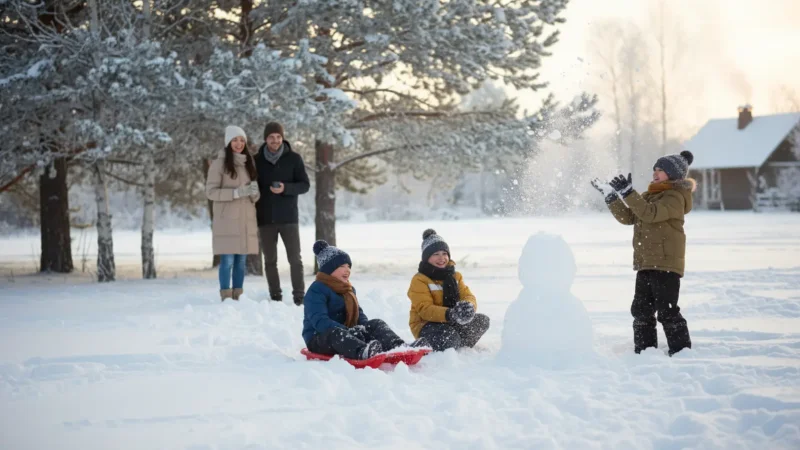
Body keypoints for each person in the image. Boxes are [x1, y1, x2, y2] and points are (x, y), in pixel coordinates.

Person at [591, 150, 695, 356]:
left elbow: (650, 214)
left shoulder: (675, 197)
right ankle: (644, 351)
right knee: (640, 310)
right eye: (655, 169)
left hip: (665, 264)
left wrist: (629, 193)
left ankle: (681, 351)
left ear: (674, 174)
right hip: (646, 262)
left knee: (666, 310)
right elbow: (629, 217)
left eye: (661, 170)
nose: (655, 172)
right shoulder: (650, 195)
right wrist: (611, 196)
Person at [302, 240, 428, 360]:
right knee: (336, 333)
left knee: (376, 324)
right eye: (342, 266)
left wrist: (365, 329)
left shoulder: (348, 290)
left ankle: (399, 347)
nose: (347, 270)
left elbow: (359, 313)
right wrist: (349, 331)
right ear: (329, 269)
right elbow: (320, 322)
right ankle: (362, 352)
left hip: (348, 335)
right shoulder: (316, 290)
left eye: (348, 266)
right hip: (320, 338)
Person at [254, 122, 310, 305]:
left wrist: (286, 188)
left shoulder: (294, 158)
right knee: (270, 260)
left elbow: (305, 185)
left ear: (282, 138)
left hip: (289, 218)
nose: (275, 140)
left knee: (295, 259)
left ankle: (299, 296)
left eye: (278, 137)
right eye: (271, 137)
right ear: (266, 139)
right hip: (265, 218)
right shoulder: (256, 160)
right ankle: (275, 296)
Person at [407, 229, 490, 351]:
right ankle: (434, 343)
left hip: (451, 321)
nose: (441, 258)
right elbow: (425, 309)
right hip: (427, 324)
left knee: (482, 321)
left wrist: (468, 307)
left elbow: (468, 296)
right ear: (426, 257)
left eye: (444, 253)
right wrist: (450, 314)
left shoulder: (456, 276)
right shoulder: (419, 280)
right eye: (436, 254)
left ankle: (457, 344)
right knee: (449, 337)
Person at [205, 126, 260, 301]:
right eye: (235, 140)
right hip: (227, 221)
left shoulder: (248, 163)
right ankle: (226, 296)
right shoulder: (219, 164)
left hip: (245, 220)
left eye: (242, 140)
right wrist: (235, 193)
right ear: (228, 142)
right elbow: (211, 192)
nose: (239, 144)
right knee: (227, 261)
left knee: (241, 262)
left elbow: (254, 196)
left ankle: (238, 296)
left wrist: (254, 192)